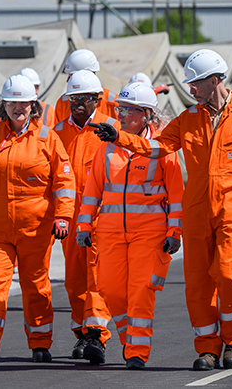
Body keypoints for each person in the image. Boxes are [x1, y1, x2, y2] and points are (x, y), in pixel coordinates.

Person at [91, 49, 232, 370]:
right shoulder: (187, 119)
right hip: (197, 213)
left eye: (196, 83)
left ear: (215, 80)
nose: (191, 89)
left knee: (230, 275)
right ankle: (208, 348)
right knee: (198, 285)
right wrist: (120, 138)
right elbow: (157, 147)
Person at [0, 74, 76, 367]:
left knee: (35, 285)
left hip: (35, 228)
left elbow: (64, 182)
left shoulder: (47, 138)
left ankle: (39, 343)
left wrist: (63, 216)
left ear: (32, 106)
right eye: (12, 103)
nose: (18, 108)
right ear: (4, 105)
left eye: (23, 103)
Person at [76, 82, 184, 370]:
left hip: (149, 233)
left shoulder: (163, 148)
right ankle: (129, 339)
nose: (121, 115)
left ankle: (137, 352)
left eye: (128, 110)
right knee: (110, 290)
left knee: (140, 292)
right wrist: (84, 225)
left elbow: (176, 194)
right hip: (110, 233)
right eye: (120, 109)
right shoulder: (108, 147)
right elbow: (92, 189)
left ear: (146, 114)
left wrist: (175, 232)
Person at [53, 70, 117, 364]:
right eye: (73, 98)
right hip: (69, 218)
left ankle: (96, 335)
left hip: (101, 219)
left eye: (85, 98)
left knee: (96, 277)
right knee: (74, 279)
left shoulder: (111, 129)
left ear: (98, 99)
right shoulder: (55, 134)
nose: (78, 103)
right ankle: (80, 332)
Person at [54, 49, 119, 124]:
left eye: (71, 76)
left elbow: (125, 134)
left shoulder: (114, 103)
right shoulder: (62, 102)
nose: (67, 80)